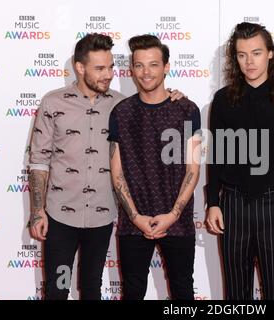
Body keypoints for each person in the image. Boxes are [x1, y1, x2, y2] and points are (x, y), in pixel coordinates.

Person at [28, 33, 183, 300]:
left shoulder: (121, 105)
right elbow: (39, 160)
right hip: (60, 218)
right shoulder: (53, 102)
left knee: (91, 289)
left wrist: (174, 97)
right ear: (80, 67)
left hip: (102, 218)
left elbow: (154, 108)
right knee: (58, 289)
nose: (108, 74)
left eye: (111, 67)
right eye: (100, 68)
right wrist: (37, 211)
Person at [205, 22, 274, 300]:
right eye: (242, 55)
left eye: (256, 53)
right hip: (232, 204)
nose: (249, 62)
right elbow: (217, 155)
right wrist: (213, 202)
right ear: (235, 58)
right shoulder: (224, 99)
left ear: (270, 54)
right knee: (235, 294)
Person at [108, 34, 201, 300]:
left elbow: (193, 169)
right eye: (139, 65)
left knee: (183, 291)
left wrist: (173, 215)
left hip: (178, 221)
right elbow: (117, 174)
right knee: (133, 291)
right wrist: (136, 217)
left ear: (166, 67)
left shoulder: (187, 109)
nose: (146, 72)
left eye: (153, 64)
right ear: (131, 69)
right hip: (132, 221)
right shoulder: (121, 112)